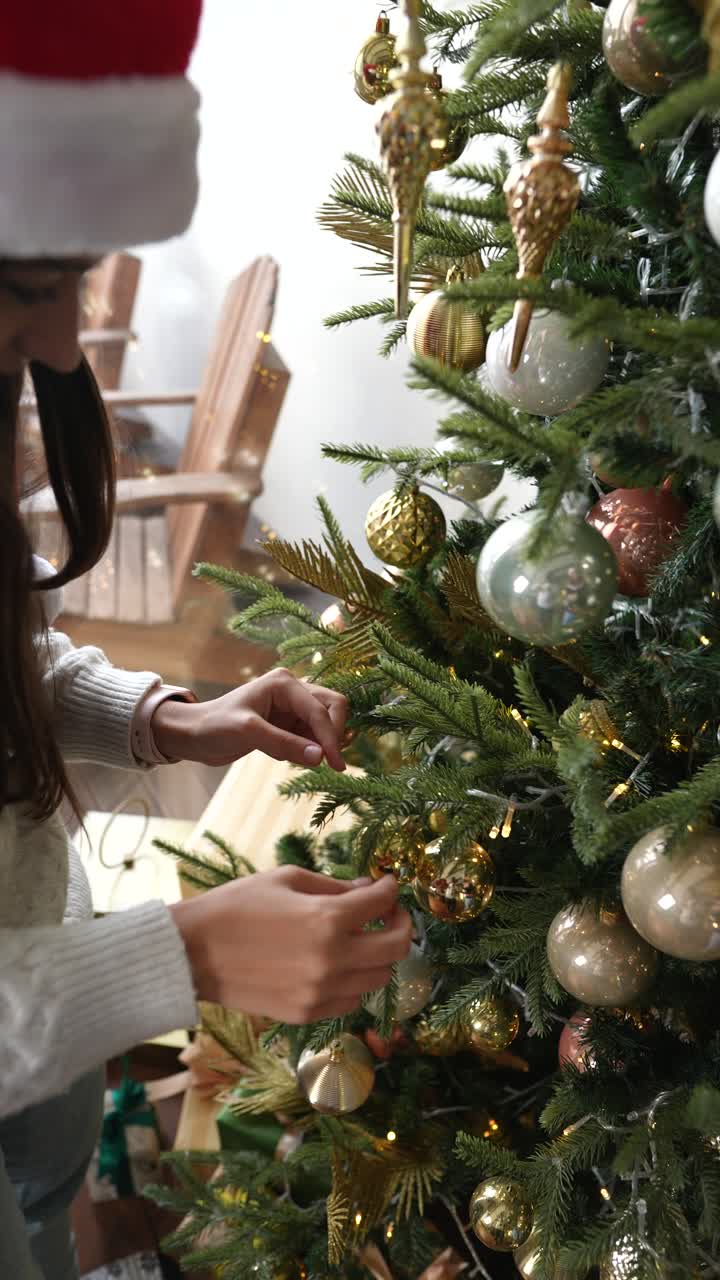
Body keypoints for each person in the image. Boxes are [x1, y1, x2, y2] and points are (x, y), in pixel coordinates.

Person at [0, 4, 412, 1277]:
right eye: (26, 289)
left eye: (75, 281)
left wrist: (165, 718)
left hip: (40, 1065)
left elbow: (26, 666)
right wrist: (186, 951)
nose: (68, 341)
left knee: (43, 1200)